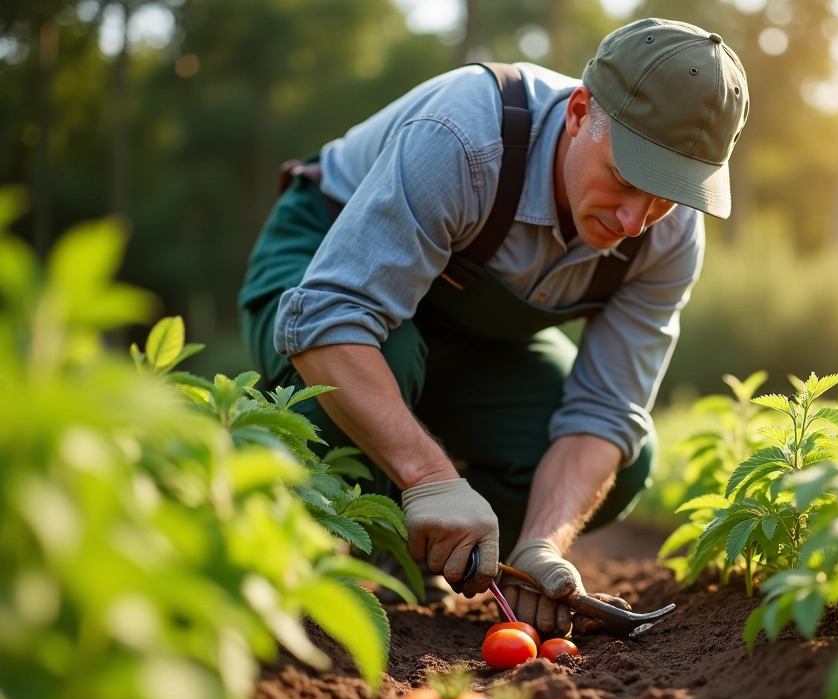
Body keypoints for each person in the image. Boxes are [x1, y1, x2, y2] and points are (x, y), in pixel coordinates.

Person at [238, 18, 750, 636]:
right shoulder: (465, 135)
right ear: (580, 112)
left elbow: (606, 412)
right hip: (327, 269)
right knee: (379, 359)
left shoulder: (666, 238)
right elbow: (332, 317)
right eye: (626, 177)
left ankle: (408, 551)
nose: (636, 219)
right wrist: (432, 479)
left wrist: (542, 545)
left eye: (668, 194)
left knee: (629, 465)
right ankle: (288, 551)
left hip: (463, 334)